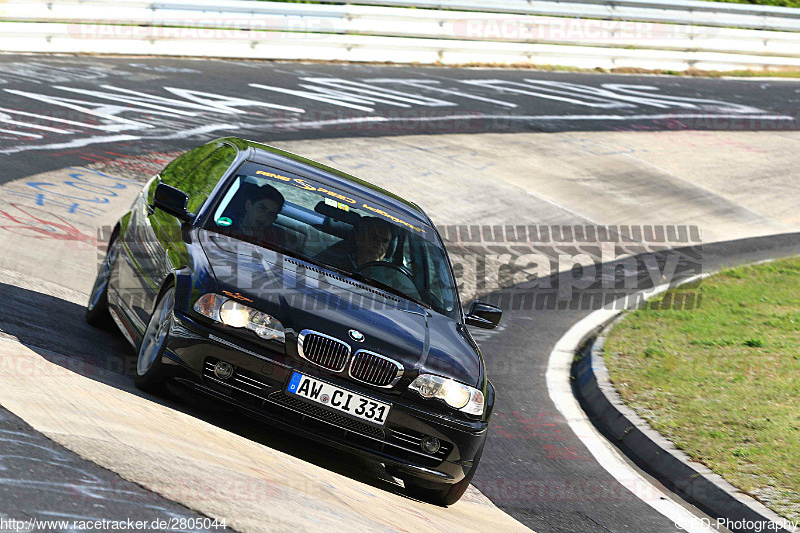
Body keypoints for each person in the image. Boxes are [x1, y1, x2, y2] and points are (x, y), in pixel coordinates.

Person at [315, 216, 392, 272]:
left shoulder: (389, 274)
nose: (379, 245)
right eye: (374, 238)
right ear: (358, 237)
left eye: (385, 241)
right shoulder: (333, 260)